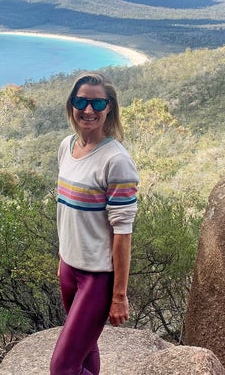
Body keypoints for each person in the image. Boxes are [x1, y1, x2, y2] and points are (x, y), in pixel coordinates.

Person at [50, 72, 139, 375]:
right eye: (81, 101)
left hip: (97, 278)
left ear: (109, 107)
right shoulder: (66, 147)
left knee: (62, 368)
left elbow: (123, 233)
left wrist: (119, 295)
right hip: (69, 269)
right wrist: (63, 258)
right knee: (85, 352)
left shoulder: (116, 161)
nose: (88, 109)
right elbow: (69, 213)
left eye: (98, 102)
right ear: (71, 104)